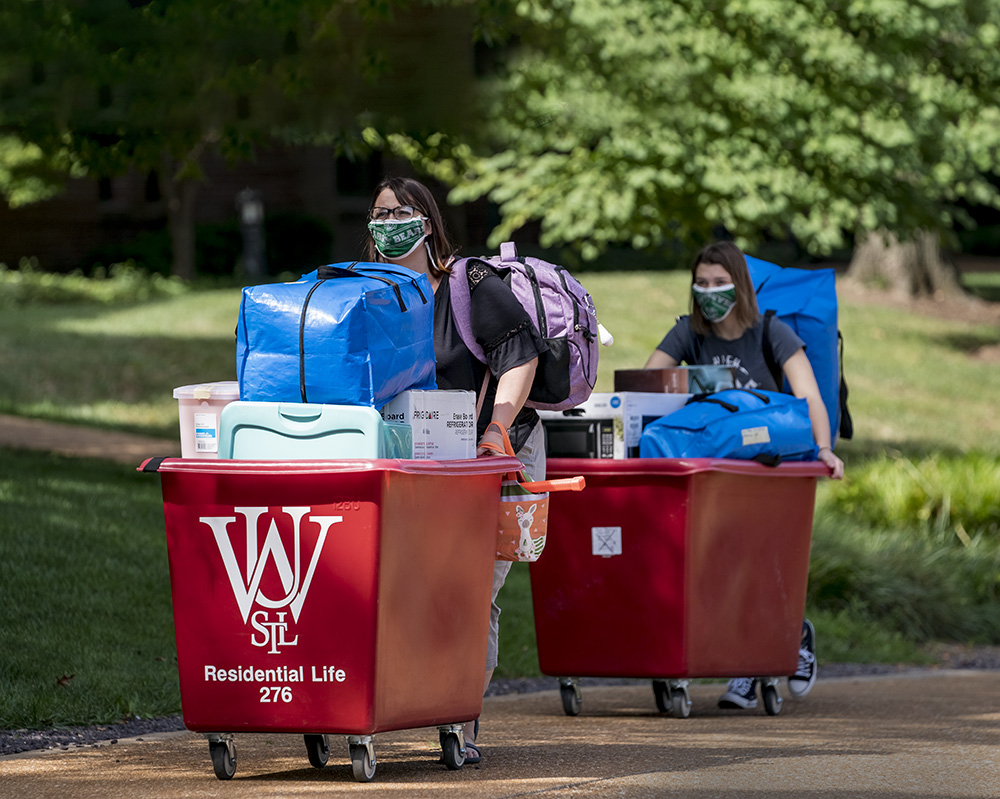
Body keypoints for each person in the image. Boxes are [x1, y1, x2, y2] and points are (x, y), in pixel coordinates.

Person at [366, 176, 547, 763]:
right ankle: (426, 703)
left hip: (496, 454)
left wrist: (496, 431)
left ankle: (463, 723)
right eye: (379, 214)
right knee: (416, 587)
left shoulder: (469, 283)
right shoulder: (371, 295)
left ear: (427, 220)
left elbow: (519, 356)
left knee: (472, 592)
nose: (390, 224)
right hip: (419, 466)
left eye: (401, 212)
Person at [644, 240, 844, 709]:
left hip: (767, 470)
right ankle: (751, 658)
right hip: (714, 469)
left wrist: (824, 449)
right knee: (721, 562)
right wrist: (706, 384)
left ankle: (784, 644)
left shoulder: (770, 331)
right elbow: (644, 381)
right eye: (703, 283)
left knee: (764, 560)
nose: (710, 292)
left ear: (740, 285)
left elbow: (808, 395)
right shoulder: (688, 332)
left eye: (720, 283)